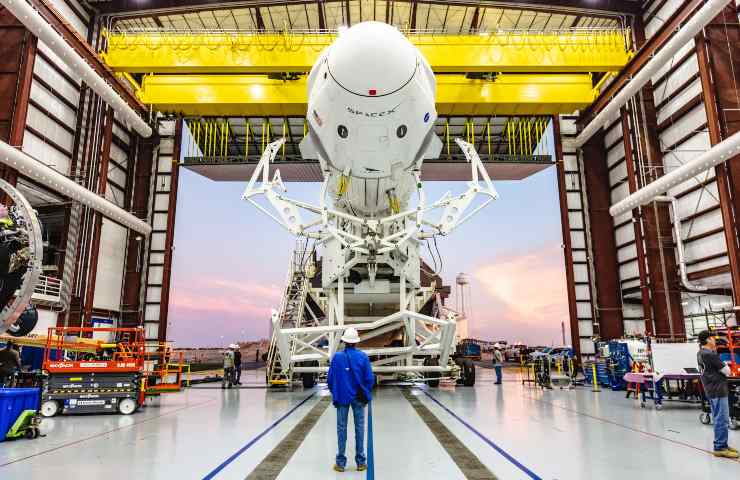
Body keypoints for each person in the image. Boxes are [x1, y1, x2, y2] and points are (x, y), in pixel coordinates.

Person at [327, 327, 375, 473]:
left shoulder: (337, 358)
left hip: (342, 398)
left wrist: (336, 391)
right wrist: (364, 392)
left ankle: (340, 463)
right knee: (359, 428)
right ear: (355, 342)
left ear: (344, 342)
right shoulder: (363, 357)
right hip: (358, 398)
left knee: (341, 428)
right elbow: (369, 379)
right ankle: (360, 462)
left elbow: (330, 380)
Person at [697, 330, 738, 458]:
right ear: (708, 340)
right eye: (713, 338)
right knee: (722, 419)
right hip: (718, 390)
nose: (715, 340)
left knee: (719, 418)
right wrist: (725, 364)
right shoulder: (710, 354)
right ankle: (720, 447)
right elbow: (727, 371)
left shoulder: (700, 353)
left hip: (711, 389)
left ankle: (721, 444)